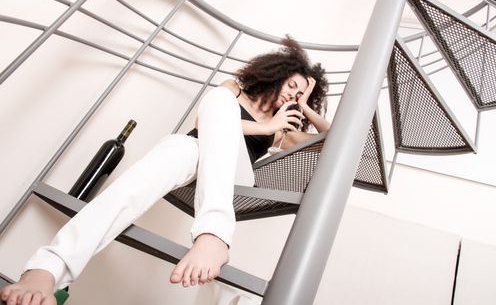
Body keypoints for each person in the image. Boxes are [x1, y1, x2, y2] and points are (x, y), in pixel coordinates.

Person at [0, 36, 330, 305]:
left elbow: (331, 139)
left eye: (301, 93)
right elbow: (204, 123)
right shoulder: (236, 91)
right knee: (189, 138)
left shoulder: (283, 130)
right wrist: (265, 125)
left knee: (198, 131)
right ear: (278, 73)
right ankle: (47, 270)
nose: (294, 94)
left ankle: (214, 233)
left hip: (234, 176)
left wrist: (303, 106)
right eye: (293, 85)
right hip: (192, 155)